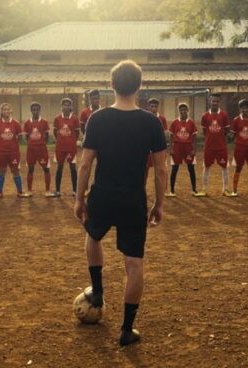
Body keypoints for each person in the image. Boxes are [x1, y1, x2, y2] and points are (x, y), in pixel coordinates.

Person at [74, 60, 167, 346]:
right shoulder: (152, 122)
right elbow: (161, 169)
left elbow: (86, 164)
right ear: (139, 86)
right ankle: (127, 330)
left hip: (102, 194)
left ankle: (98, 292)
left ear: (111, 85)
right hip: (133, 199)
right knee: (134, 264)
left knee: (93, 236)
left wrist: (79, 198)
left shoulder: (97, 119)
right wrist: (158, 204)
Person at [0, 103, 28, 198]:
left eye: (8, 109)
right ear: (1, 112)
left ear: (11, 111)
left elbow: (19, 137)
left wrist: (13, 145)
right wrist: (0, 145)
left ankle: (20, 192)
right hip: (1, 152)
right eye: (4, 109)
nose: (6, 111)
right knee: (1, 171)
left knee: (16, 171)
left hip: (13, 152)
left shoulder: (16, 123)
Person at [167, 103, 202, 197]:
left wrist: (194, 149)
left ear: (187, 111)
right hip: (177, 147)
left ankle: (194, 190)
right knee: (174, 168)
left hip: (188, 147)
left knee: (191, 168)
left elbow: (194, 137)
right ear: (179, 111)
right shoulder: (175, 122)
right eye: (181, 110)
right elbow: (170, 135)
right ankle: (172, 191)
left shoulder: (191, 122)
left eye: (184, 110)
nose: (182, 112)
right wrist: (171, 148)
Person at [200, 93, 231, 196]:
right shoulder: (205, 115)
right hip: (209, 147)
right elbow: (205, 131)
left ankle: (225, 189)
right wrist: (210, 139)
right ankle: (204, 189)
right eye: (213, 101)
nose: (215, 103)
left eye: (217, 101)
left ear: (219, 102)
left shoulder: (224, 115)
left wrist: (221, 141)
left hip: (221, 147)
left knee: (225, 167)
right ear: (210, 101)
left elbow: (226, 130)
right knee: (206, 167)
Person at [24, 102, 55, 197]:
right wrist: (32, 143)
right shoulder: (27, 123)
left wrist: (41, 143)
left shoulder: (44, 122)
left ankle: (47, 191)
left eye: (37, 109)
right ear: (31, 111)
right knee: (30, 169)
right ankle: (29, 190)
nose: (35, 111)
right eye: (34, 109)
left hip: (42, 149)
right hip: (31, 149)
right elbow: (26, 137)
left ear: (39, 110)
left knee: (46, 169)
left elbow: (46, 136)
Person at [53, 98, 81, 197]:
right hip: (60, 147)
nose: (66, 106)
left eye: (68, 105)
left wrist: (71, 141)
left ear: (71, 107)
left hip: (71, 148)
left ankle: (75, 190)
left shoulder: (75, 118)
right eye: (64, 104)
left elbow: (77, 133)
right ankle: (57, 190)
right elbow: (55, 132)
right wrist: (61, 140)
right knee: (59, 168)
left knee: (73, 168)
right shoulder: (57, 118)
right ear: (61, 106)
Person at [145, 98, 168, 185]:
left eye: (155, 106)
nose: (154, 108)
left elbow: (165, 134)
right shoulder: (145, 118)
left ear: (158, 107)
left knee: (161, 168)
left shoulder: (162, 118)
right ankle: (143, 186)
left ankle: (163, 187)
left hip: (159, 148)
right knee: (145, 168)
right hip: (147, 148)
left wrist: (164, 147)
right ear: (149, 107)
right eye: (152, 106)